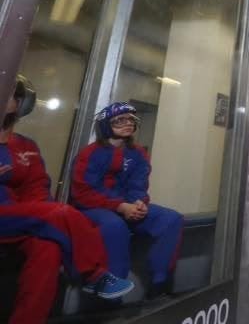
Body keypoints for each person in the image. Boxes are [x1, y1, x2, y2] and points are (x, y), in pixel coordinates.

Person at [0, 76, 135, 323]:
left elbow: (37, 188)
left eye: (10, 94)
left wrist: (38, 211)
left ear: (20, 104)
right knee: (59, 214)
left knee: (48, 248)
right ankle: (93, 274)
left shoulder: (25, 145)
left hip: (20, 221)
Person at [71, 102, 183, 298]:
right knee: (114, 225)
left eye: (131, 119)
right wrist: (120, 206)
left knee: (171, 219)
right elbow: (82, 193)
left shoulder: (138, 153)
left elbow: (138, 184)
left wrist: (139, 202)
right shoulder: (90, 153)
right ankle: (111, 288)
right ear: (106, 125)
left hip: (127, 205)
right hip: (93, 207)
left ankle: (159, 283)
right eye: (120, 120)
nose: (128, 123)